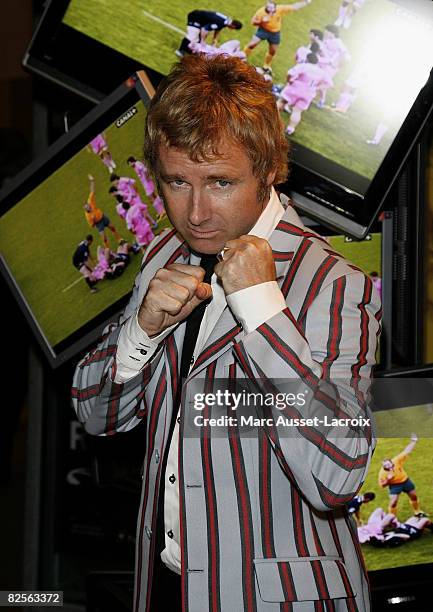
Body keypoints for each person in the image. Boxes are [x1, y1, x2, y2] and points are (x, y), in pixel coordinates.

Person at [72, 55, 381, 611]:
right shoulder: (165, 251)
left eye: (220, 182)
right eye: (176, 182)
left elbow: (339, 475)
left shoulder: (336, 283)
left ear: (267, 170)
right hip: (167, 586)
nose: (195, 212)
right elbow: (96, 414)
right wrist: (139, 332)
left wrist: (264, 310)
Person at [243, 1, 312, 73]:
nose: (270, 9)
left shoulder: (280, 9)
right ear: (266, 6)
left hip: (275, 33)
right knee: (252, 45)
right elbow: (253, 22)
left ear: (275, 7)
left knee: (273, 51)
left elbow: (294, 7)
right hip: (263, 30)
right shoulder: (261, 12)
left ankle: (266, 66)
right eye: (268, 7)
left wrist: (306, 2)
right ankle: (242, 58)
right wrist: (262, 21)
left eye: (272, 8)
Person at [378, 434, 424, 517]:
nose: (389, 466)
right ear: (384, 466)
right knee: (393, 502)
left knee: (414, 496)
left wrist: (413, 441)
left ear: (391, 462)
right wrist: (388, 480)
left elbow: (406, 451)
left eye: (390, 464)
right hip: (395, 485)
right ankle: (391, 518)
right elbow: (382, 485)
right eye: (387, 466)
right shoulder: (382, 473)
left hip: (405, 481)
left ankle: (417, 511)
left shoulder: (396, 461)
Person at [176, 10, 242, 57]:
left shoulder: (227, 20)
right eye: (233, 28)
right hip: (195, 18)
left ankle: (189, 51)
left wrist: (215, 40)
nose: (232, 29)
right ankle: (180, 51)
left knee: (198, 38)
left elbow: (218, 29)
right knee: (193, 35)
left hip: (200, 20)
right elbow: (204, 29)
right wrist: (203, 40)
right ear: (233, 26)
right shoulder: (222, 22)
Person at [83, 175, 121, 247]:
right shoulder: (88, 216)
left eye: (88, 206)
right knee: (104, 238)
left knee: (112, 227)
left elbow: (92, 191)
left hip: (103, 217)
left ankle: (119, 239)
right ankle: (107, 248)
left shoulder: (90, 201)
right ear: (86, 210)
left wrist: (92, 181)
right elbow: (92, 225)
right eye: (87, 208)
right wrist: (94, 220)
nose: (89, 208)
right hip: (98, 224)